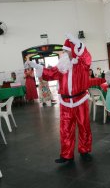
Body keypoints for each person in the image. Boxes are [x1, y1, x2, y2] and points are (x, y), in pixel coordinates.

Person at [26, 34, 92, 163]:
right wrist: (37, 67)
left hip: (80, 100)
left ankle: (84, 150)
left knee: (84, 127)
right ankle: (67, 154)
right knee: (65, 129)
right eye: (65, 51)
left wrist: (79, 45)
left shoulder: (82, 64)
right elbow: (50, 74)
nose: (65, 53)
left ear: (74, 50)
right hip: (65, 102)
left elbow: (87, 58)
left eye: (68, 50)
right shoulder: (62, 66)